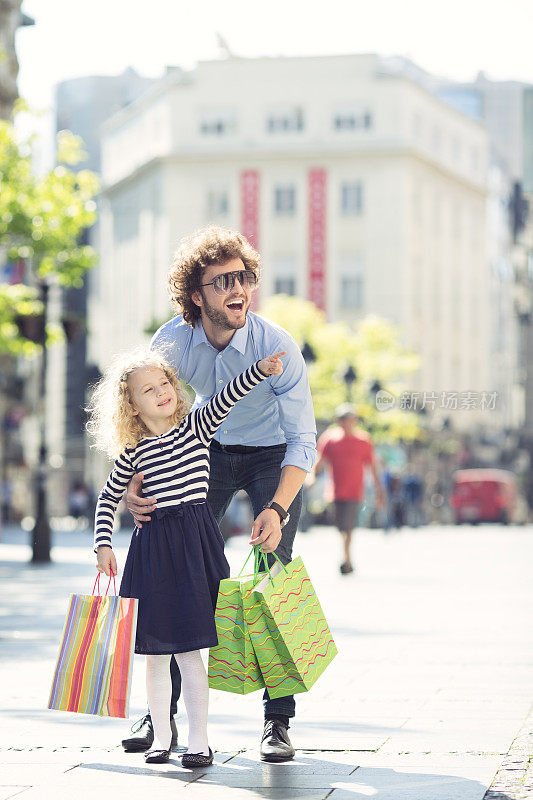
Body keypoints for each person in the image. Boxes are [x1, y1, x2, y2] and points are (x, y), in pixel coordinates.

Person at [123, 226, 316, 763]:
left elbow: (303, 437)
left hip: (271, 454)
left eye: (245, 278)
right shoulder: (170, 344)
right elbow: (147, 421)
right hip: (201, 450)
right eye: (223, 281)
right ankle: (161, 713)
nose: (239, 289)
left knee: (274, 578)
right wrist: (137, 485)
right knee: (171, 568)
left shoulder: (275, 343)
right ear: (196, 295)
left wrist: (277, 507)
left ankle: (278, 720)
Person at [88, 346, 285, 766]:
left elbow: (226, 397)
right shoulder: (132, 453)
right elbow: (107, 499)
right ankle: (161, 737)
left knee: (191, 651)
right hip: (152, 553)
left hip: (195, 550)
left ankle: (200, 740)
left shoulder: (196, 428)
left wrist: (260, 369)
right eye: (147, 390)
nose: (160, 393)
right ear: (132, 406)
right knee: (156, 653)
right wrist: (103, 544)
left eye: (164, 384)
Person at [314, 403, 384, 574]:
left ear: (355, 421)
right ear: (339, 421)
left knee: (348, 525)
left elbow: (373, 467)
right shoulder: (329, 439)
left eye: (350, 419)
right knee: (340, 526)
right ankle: (346, 555)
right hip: (335, 492)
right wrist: (310, 479)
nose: (347, 423)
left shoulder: (363, 440)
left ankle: (347, 558)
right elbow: (319, 462)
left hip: (354, 491)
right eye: (343, 419)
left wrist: (379, 490)